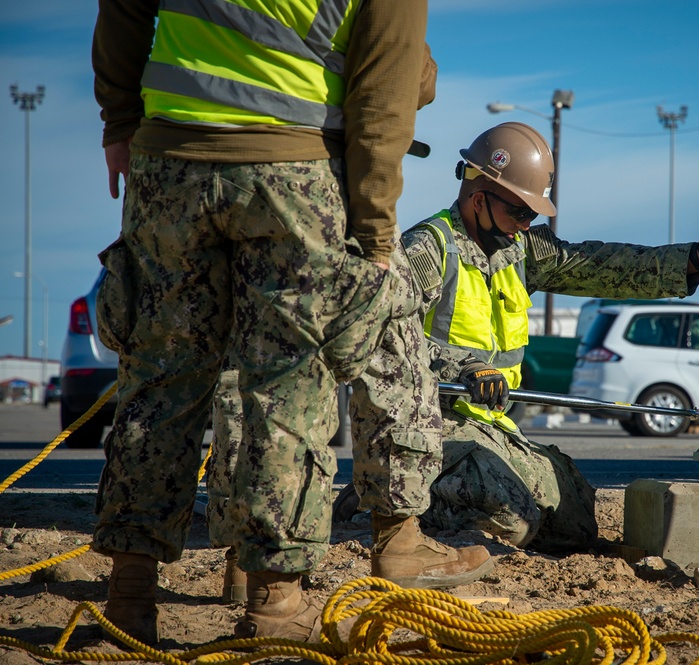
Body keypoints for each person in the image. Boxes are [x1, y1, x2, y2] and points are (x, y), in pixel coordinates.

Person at [91, 0, 488, 646]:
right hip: (291, 168)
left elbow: (125, 9)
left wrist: (119, 122)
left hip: (169, 156)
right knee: (288, 391)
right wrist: (375, 231)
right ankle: (273, 608)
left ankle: (127, 601)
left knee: (156, 381)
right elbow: (387, 91)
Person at [337, 121, 699, 553]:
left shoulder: (518, 248)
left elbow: (593, 264)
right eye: (520, 212)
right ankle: (374, 501)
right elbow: (382, 337)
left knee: (575, 519)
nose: (526, 225)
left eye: (532, 215)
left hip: (491, 425)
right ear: (478, 198)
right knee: (511, 516)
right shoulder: (427, 250)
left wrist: (694, 258)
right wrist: (463, 368)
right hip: (435, 425)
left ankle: (383, 495)